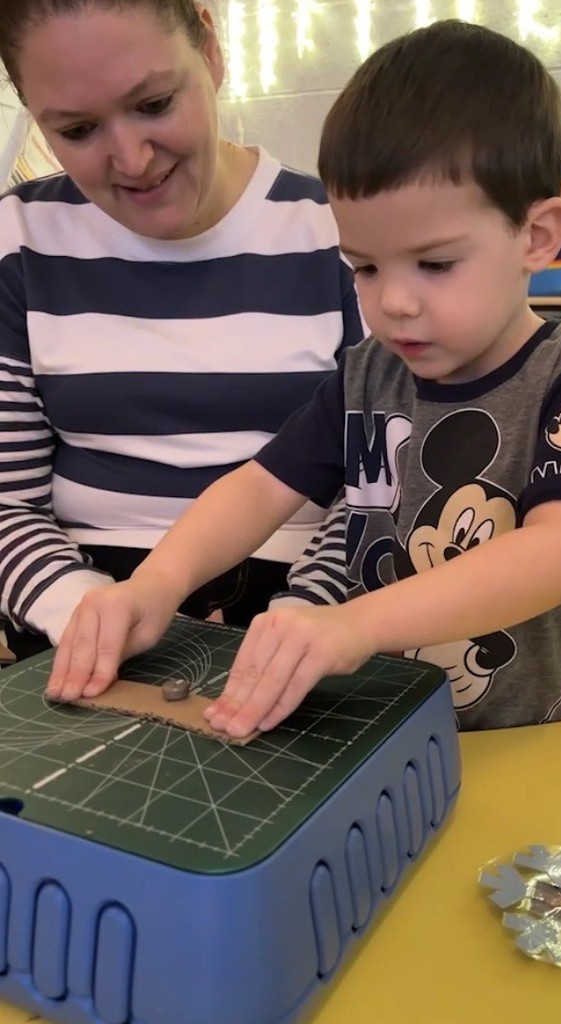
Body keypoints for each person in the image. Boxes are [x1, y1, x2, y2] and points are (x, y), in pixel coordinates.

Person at [48, 19, 561, 737]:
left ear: (537, 236)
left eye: (433, 264)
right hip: (402, 727)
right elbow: (256, 487)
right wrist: (154, 586)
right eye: (363, 266)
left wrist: (351, 626)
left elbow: (557, 552)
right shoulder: (367, 375)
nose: (392, 301)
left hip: (552, 736)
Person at [0, 0, 364, 660]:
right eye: (78, 129)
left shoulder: (345, 233)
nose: (133, 160)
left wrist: (303, 615)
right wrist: (84, 612)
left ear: (209, 44)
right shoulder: (16, 241)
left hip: (301, 607)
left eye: (155, 103)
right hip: (78, 609)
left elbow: (378, 488)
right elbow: (5, 505)